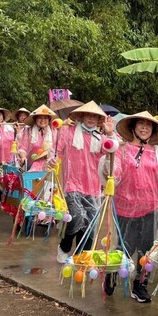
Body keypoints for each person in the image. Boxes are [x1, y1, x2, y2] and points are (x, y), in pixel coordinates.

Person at [101, 111, 158, 303]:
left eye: (148, 125)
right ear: (133, 128)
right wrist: (110, 140)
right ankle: (112, 274)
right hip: (125, 207)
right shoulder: (122, 150)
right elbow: (113, 173)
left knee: (147, 249)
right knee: (124, 247)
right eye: (140, 124)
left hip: (151, 208)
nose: (144, 128)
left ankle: (140, 284)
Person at [52, 101, 115, 263]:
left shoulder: (100, 138)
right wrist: (51, 162)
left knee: (90, 223)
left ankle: (81, 256)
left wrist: (110, 134)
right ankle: (65, 246)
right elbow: (56, 153)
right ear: (82, 116)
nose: (92, 119)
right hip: (72, 184)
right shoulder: (67, 132)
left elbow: (112, 154)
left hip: (93, 186)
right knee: (77, 216)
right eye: (89, 115)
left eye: (95, 116)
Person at [17, 105, 57, 171]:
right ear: (35, 119)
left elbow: (56, 150)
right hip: (31, 165)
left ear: (49, 119)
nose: (42, 120)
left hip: (48, 166)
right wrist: (23, 157)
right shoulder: (28, 131)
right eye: (40, 118)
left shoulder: (53, 131)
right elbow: (22, 148)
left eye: (45, 118)